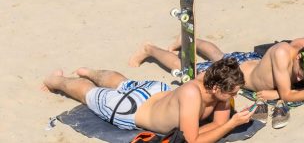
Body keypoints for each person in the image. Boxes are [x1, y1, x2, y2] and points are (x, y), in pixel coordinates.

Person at [130, 36, 304, 127]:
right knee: (188, 71)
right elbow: (288, 95)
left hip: (249, 63)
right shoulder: (282, 52)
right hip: (241, 73)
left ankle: (185, 41)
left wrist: (276, 93)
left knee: (219, 55)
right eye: (299, 74)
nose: (300, 79)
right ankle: (150, 49)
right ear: (298, 57)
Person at [43, 58, 251, 140]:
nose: (235, 97)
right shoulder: (191, 93)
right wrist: (232, 124)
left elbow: (218, 124)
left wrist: (223, 125)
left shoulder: (217, 80)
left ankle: (89, 70)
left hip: (155, 92)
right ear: (215, 88)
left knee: (123, 83)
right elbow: (192, 140)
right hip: (131, 109)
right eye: (232, 93)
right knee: (88, 93)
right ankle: (55, 81)